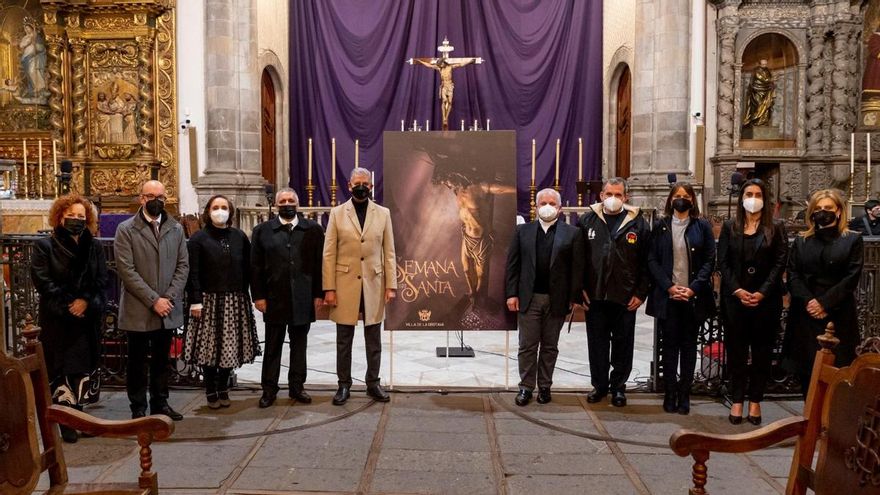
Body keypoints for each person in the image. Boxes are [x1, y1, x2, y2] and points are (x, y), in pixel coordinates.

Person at [31, 194, 107, 442]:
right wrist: (68, 304)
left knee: (82, 368)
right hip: (58, 317)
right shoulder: (45, 246)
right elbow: (43, 281)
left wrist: (85, 301)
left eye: (80, 217)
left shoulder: (94, 246)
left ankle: (81, 415)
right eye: (71, 216)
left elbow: (100, 280)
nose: (76, 220)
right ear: (60, 217)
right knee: (62, 369)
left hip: (86, 317)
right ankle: (65, 420)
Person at [114, 180, 189, 420]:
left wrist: (168, 297)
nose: (156, 200)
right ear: (142, 199)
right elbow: (126, 270)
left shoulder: (175, 228)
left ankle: (160, 403)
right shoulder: (126, 229)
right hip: (139, 308)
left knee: (161, 360)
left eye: (160, 196)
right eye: (150, 196)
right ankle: (138, 407)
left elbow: (182, 265)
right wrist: (153, 299)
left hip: (166, 308)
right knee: (136, 362)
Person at [323, 168, 397, 405]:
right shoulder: (337, 213)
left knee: (373, 339)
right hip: (345, 283)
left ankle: (373, 383)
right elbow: (329, 253)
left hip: (374, 283)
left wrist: (391, 285)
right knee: (344, 339)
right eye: (358, 183)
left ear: (371, 187)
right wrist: (329, 288)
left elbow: (390, 253)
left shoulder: (383, 213)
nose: (361, 186)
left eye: (365, 183)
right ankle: (343, 385)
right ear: (349, 185)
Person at [717, 179, 787, 425]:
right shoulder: (730, 226)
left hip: (765, 301)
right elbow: (722, 262)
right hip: (735, 301)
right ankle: (737, 399)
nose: (753, 197)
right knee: (736, 352)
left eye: (758, 194)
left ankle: (755, 401)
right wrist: (736, 290)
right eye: (749, 193)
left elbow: (780, 262)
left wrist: (763, 292)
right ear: (741, 197)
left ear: (764, 198)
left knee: (761, 352)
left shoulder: (776, 227)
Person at [505, 188, 585, 406]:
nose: (547, 207)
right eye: (543, 203)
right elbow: (513, 265)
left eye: (552, 203)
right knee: (527, 346)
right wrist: (511, 294)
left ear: (559, 208)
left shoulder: (572, 233)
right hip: (529, 298)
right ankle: (526, 387)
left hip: (557, 300)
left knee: (550, 346)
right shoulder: (523, 232)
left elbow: (577, 269)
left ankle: (545, 387)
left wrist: (574, 297)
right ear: (537, 207)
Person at [579, 177, 650, 407]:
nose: (613, 199)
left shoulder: (637, 223)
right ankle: (599, 386)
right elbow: (578, 261)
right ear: (601, 195)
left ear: (625, 197)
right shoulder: (587, 220)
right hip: (595, 296)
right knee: (597, 344)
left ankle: (618, 387)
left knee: (623, 343)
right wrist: (579, 290)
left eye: (618, 195)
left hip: (625, 296)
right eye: (609, 194)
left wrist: (640, 293)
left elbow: (647, 262)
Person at [646, 183, 716, 416]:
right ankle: (670, 392)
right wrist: (668, 286)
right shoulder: (661, 226)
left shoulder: (701, 226)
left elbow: (709, 260)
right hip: (669, 296)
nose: (681, 199)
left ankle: (685, 393)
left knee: (688, 346)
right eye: (677, 196)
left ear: (692, 200)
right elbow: (652, 259)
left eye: (686, 196)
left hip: (693, 297)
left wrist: (693, 288)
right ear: (670, 199)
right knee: (670, 346)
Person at [251, 188, 324, 408]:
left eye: (291, 200)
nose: (287, 204)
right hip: (274, 297)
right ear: (276, 204)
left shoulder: (313, 229)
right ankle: (269, 389)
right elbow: (255, 267)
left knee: (299, 345)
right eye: (283, 201)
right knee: (273, 345)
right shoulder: (262, 231)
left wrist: (319, 293)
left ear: (298, 204)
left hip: (303, 296)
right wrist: (259, 296)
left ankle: (297, 386)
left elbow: (320, 264)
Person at [185, 195, 260, 409]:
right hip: (208, 300)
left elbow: (249, 268)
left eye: (224, 207)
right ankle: (210, 390)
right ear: (208, 211)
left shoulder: (239, 237)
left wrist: (250, 296)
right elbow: (194, 272)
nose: (220, 211)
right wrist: (195, 300)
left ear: (230, 211)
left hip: (235, 299)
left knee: (229, 346)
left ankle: (223, 387)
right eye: (216, 207)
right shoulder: (199, 238)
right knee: (209, 348)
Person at [786, 189, 863, 396]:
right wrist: (810, 301)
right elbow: (793, 274)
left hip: (838, 313)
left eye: (828, 208)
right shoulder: (802, 240)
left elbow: (851, 277)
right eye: (818, 209)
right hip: (806, 312)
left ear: (838, 211)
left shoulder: (851, 239)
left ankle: (830, 423)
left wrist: (824, 303)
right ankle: (809, 420)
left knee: (837, 373)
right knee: (806, 370)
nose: (822, 212)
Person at [742, 59, 775, 128]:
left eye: (765, 64)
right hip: (756, 90)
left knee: (766, 107)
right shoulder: (756, 70)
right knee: (758, 105)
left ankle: (763, 122)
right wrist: (771, 80)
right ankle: (755, 122)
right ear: (759, 64)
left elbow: (769, 78)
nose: (764, 66)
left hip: (766, 90)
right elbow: (761, 78)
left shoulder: (767, 70)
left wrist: (772, 80)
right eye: (763, 64)